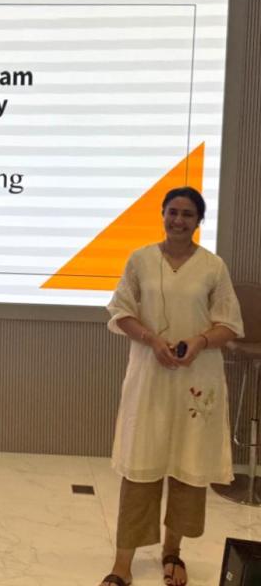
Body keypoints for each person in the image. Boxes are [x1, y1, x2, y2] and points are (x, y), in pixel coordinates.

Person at [99, 187, 244, 586]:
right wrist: (151, 339)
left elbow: (230, 323)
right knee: (140, 466)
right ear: (162, 214)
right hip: (150, 375)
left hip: (197, 379)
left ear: (199, 221)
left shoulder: (213, 266)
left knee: (186, 463)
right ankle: (122, 563)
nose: (178, 220)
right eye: (173, 212)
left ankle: (172, 552)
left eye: (187, 214)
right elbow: (120, 311)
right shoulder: (140, 259)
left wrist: (199, 341)